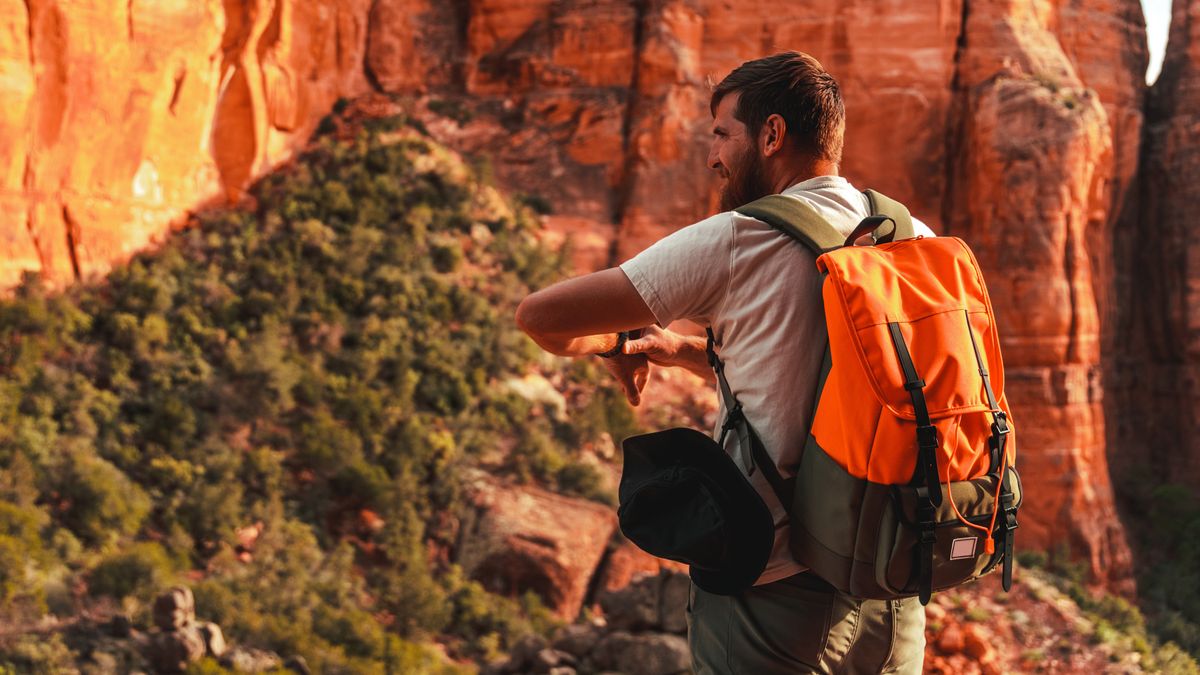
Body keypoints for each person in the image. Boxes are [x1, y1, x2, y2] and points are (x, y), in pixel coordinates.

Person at [516, 51, 932, 674]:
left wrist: (613, 346)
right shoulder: (911, 237)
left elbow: (541, 317)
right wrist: (682, 351)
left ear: (771, 135)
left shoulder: (742, 238)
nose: (712, 156)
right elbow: (839, 383)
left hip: (775, 595)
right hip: (894, 587)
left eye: (721, 134)